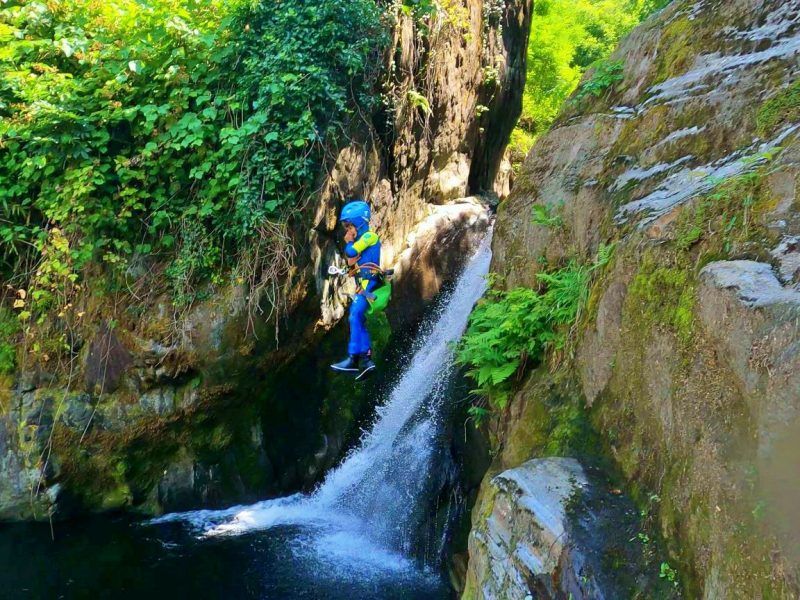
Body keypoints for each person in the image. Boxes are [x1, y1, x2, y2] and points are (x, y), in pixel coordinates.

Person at [330, 200, 383, 380]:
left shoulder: (369, 237)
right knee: (357, 317)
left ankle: (355, 359)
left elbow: (351, 252)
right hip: (364, 285)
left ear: (359, 223)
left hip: (371, 284)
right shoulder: (362, 241)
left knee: (355, 315)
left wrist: (349, 242)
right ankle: (365, 360)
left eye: (349, 226)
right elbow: (353, 261)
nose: (348, 230)